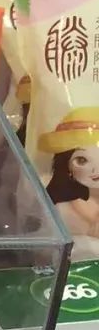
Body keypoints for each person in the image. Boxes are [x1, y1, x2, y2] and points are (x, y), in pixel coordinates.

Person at [39, 107, 99, 259]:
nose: (95, 169)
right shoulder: (61, 211)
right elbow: (44, 255)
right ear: (67, 167)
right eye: (82, 160)